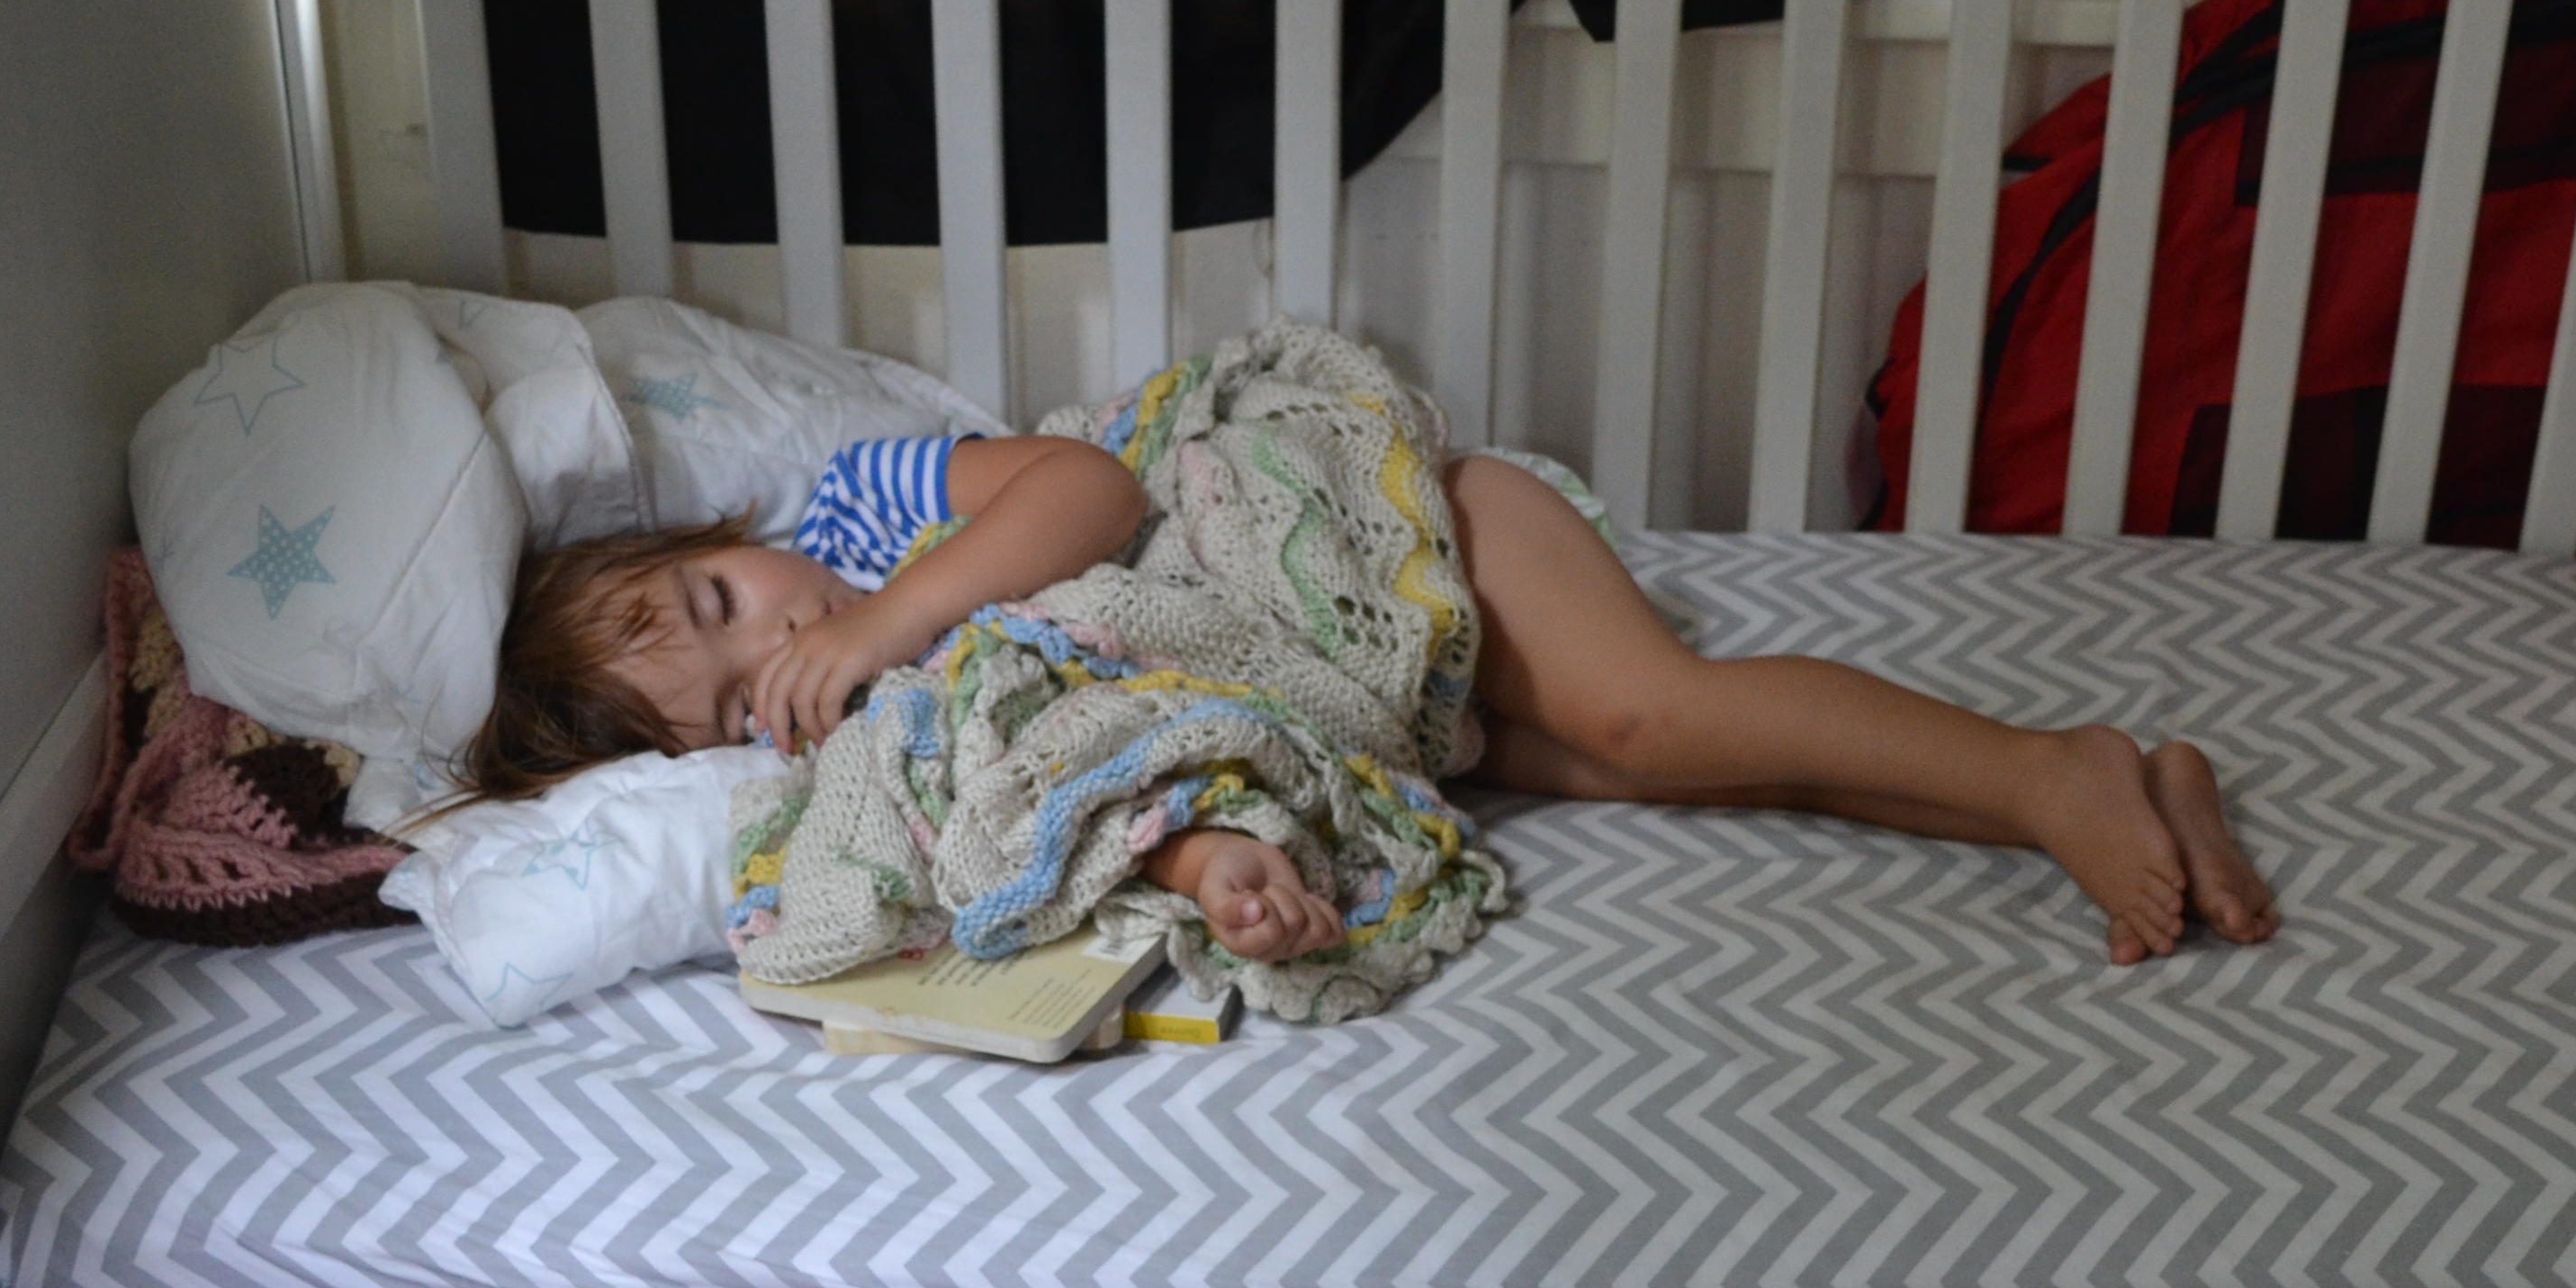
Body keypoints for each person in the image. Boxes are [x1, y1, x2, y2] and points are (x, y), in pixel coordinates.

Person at [461, 427, 2278, 969]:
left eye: (722, 601)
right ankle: (2113, 784)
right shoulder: (895, 735)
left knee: (1657, 716)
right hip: (1376, 696)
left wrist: (887, 621)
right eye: (734, 702)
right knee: (1663, 774)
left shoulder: (872, 517)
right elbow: (1107, 758)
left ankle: (2039, 776)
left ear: (723, 535)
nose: (777, 641)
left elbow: (1089, 493)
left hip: (1392, 540)